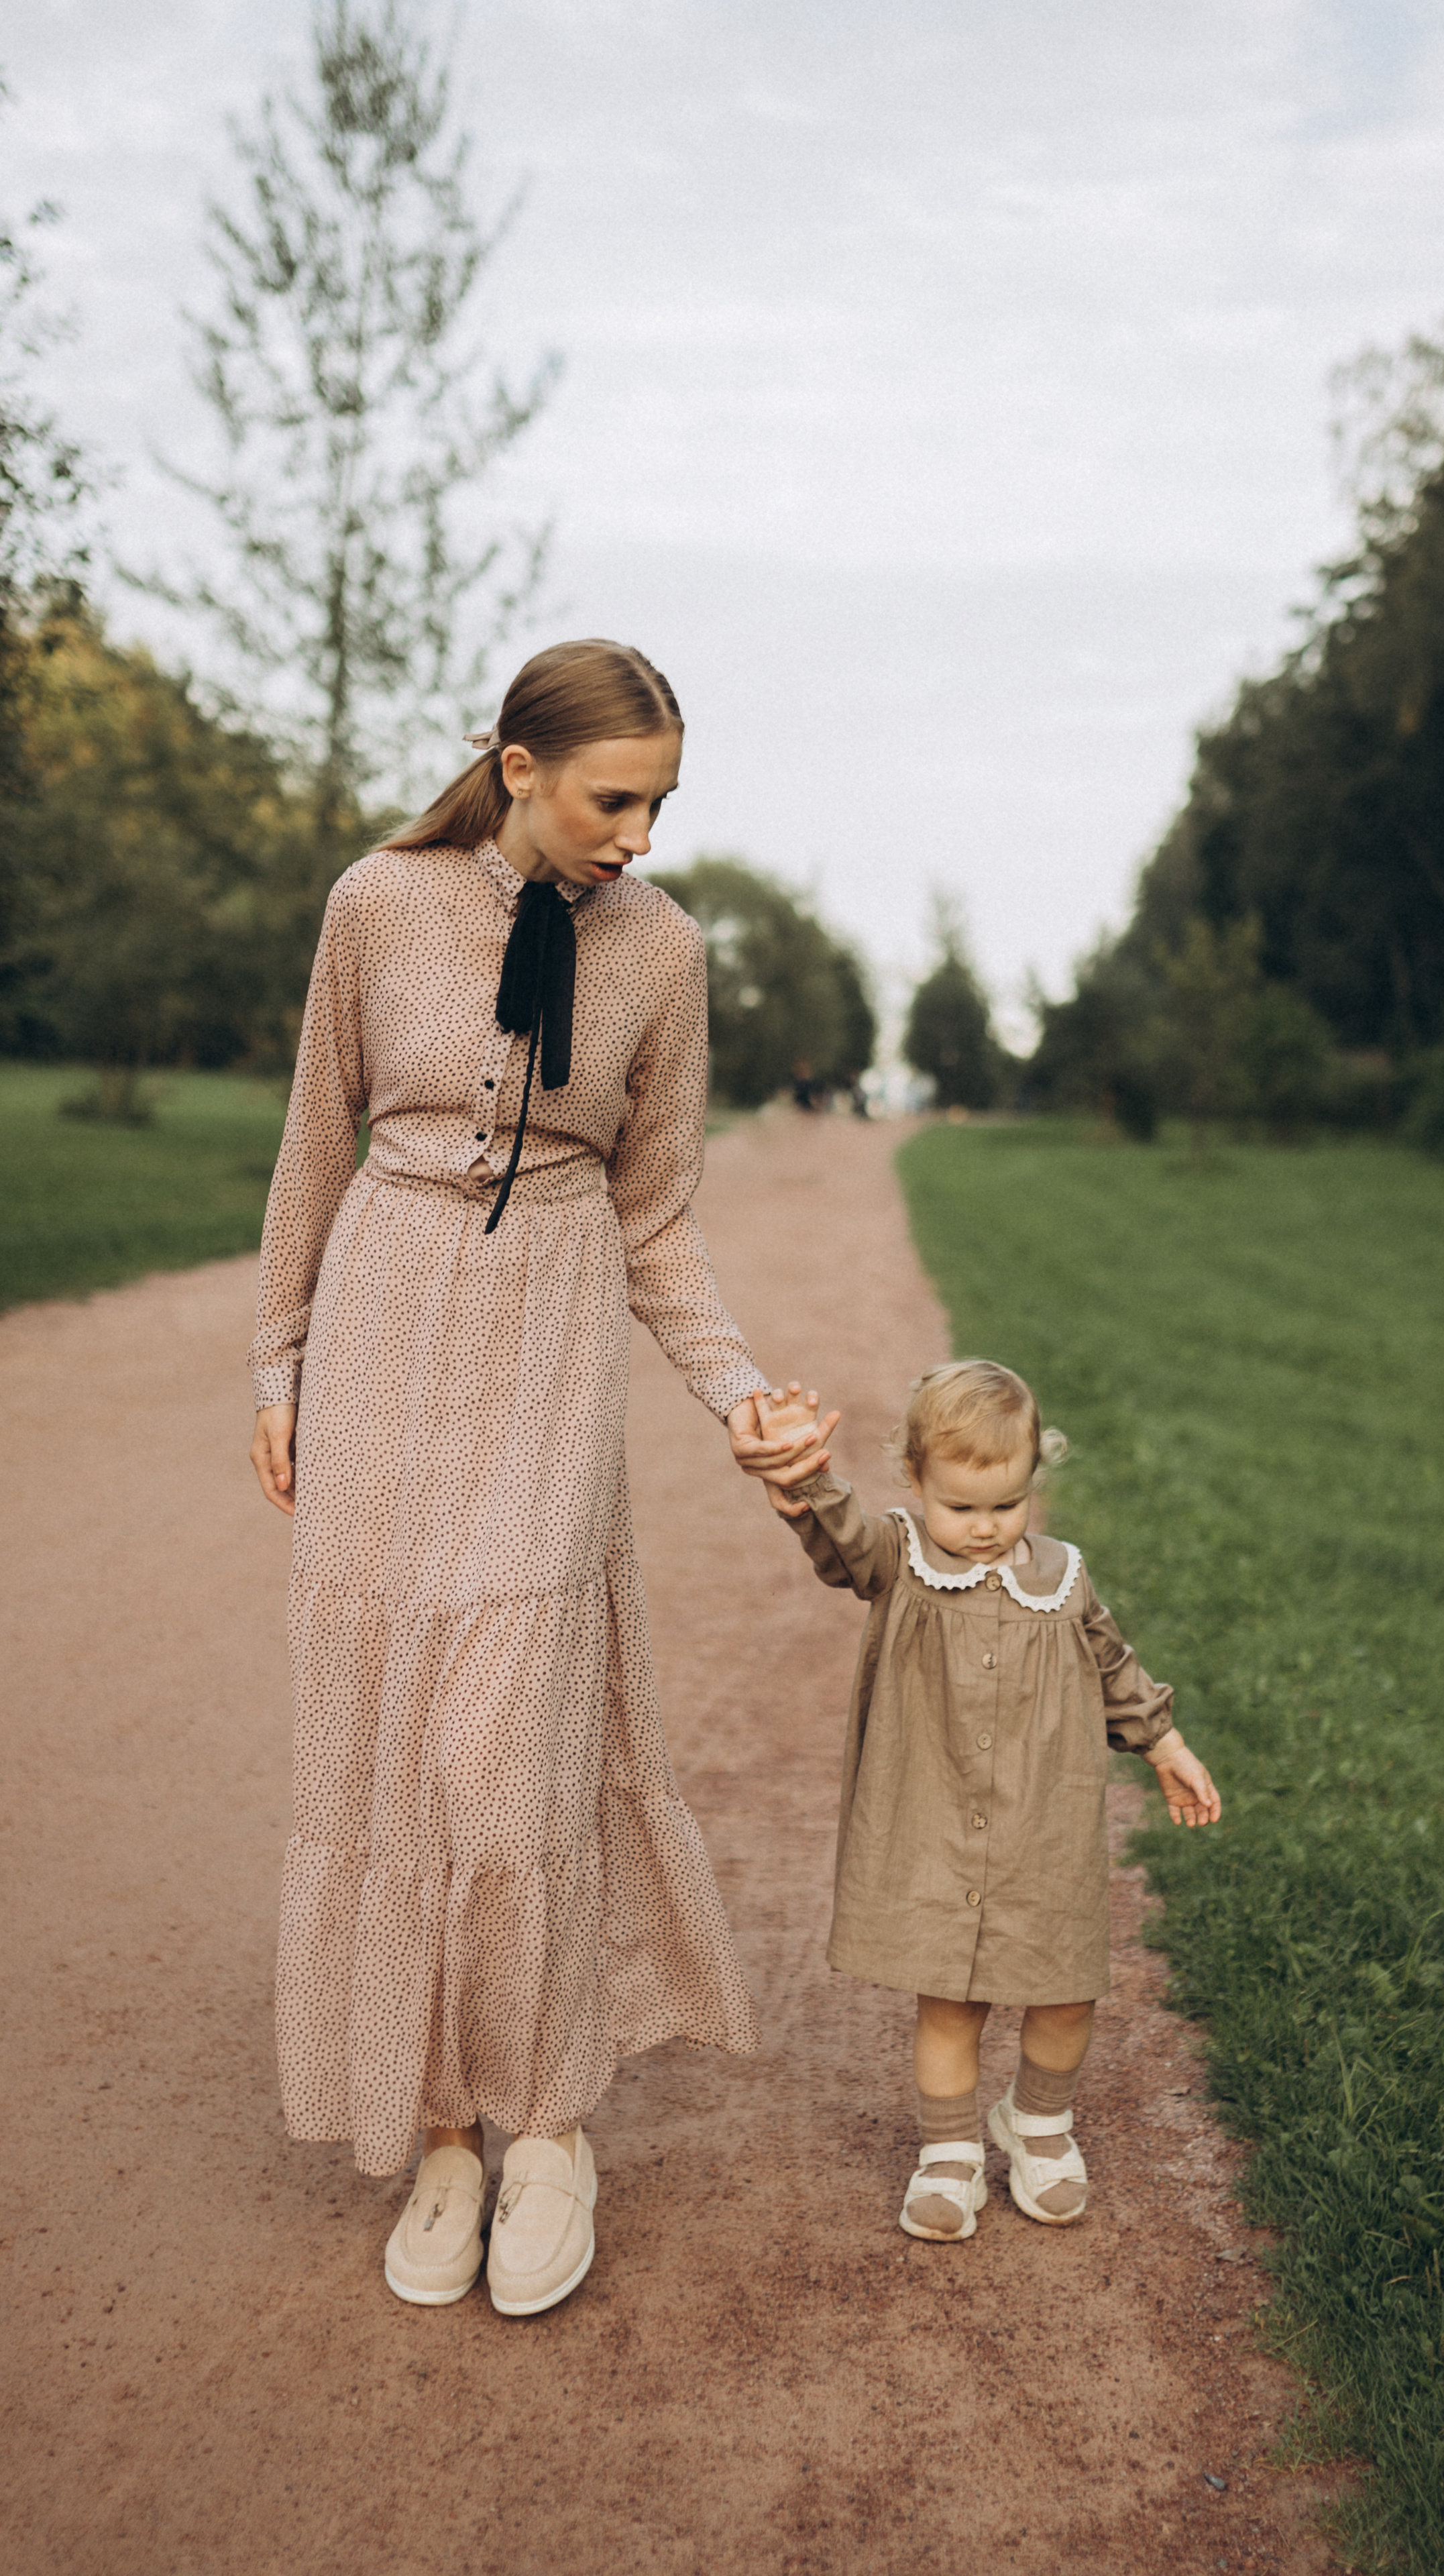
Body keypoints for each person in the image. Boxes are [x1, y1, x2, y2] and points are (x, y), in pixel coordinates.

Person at [247, 639, 818, 2316]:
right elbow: (310, 1141)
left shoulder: (663, 953)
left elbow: (655, 1216)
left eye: (659, 804)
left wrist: (737, 1399)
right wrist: (273, 1360)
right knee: (398, 1746)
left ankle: (549, 2120)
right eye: (612, 798)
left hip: (547, 1346)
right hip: (383, 1323)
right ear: (517, 767)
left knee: (510, 1749)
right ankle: (438, 2128)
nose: (637, 835)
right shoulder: (374, 903)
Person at [757, 1359, 1221, 2241]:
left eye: (1005, 1507)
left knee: (1062, 1989)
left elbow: (1115, 1666)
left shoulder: (1064, 1577)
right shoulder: (899, 1558)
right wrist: (808, 1475)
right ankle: (949, 2152)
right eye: (961, 1507)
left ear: (1033, 1483)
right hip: (937, 1821)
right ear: (918, 1480)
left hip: (1044, 1828)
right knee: (951, 1994)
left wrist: (1167, 1744)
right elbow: (843, 1537)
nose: (983, 1529)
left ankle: (1039, 2126)